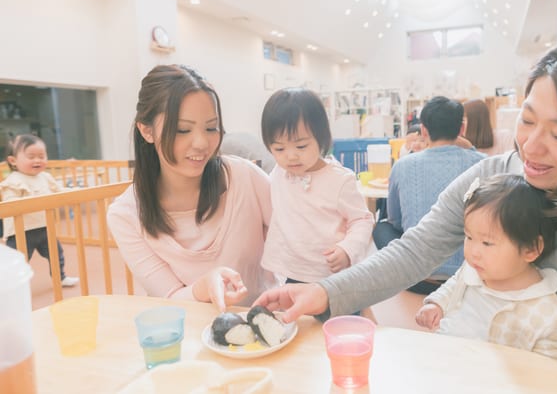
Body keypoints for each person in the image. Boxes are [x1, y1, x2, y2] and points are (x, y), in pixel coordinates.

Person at [254, 33, 557, 392]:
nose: (531, 147)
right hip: (467, 369)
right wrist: (324, 291)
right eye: (526, 120)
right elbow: (417, 248)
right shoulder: (497, 176)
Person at [107, 64, 277, 310]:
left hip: (270, 330)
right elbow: (169, 297)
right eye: (182, 130)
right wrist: (202, 288)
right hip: (194, 338)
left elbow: (296, 232)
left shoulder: (245, 177)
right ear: (146, 131)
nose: (201, 143)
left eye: (211, 128)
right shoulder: (126, 215)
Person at [415, 174, 557, 370]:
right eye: (469, 237)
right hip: (447, 364)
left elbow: (555, 379)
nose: (473, 251)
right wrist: (437, 304)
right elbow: (455, 284)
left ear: (531, 248)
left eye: (487, 243)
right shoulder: (477, 268)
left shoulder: (548, 318)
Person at [260, 87, 374, 285]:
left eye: (301, 146)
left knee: (338, 315)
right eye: (279, 148)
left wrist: (347, 249)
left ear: (320, 138)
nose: (291, 156)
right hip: (291, 271)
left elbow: (362, 220)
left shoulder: (339, 180)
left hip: (331, 274)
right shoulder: (278, 173)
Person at [373, 96, 485, 294]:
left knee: (382, 226)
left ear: (423, 130)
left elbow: (396, 222)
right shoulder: (482, 163)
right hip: (468, 277)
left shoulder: (403, 165)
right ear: (462, 129)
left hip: (416, 278)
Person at [0, 134, 79, 287]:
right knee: (18, 261)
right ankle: (11, 285)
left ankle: (60, 277)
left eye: (42, 156)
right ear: (13, 161)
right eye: (31, 156)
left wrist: (75, 192)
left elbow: (59, 191)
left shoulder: (46, 177)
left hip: (44, 227)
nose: (37, 160)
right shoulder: (13, 181)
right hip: (20, 232)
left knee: (56, 254)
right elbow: (11, 203)